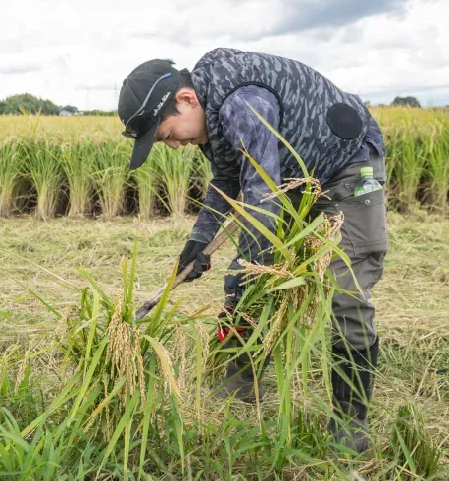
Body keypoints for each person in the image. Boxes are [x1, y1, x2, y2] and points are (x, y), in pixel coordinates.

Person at [117, 48, 387, 454]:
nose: (172, 145)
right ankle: (241, 386)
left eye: (168, 133)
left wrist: (246, 271)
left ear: (186, 99)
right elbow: (229, 177)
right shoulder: (211, 112)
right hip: (291, 177)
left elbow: (262, 199)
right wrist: (198, 243)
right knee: (244, 276)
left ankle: (351, 426)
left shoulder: (243, 104)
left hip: (346, 167)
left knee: (344, 291)